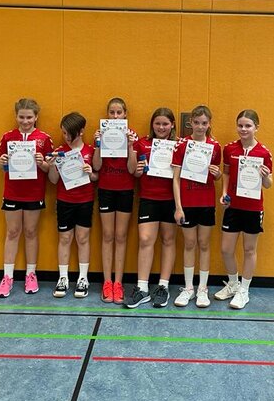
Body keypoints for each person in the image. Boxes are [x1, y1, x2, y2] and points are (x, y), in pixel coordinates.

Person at [0, 98, 54, 298]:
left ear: (36, 117)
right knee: (12, 232)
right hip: (12, 191)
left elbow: (50, 168)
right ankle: (7, 277)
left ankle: (31, 274)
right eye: (22, 117)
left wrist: (42, 162)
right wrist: (1, 161)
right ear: (16, 116)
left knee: (30, 231)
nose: (25, 121)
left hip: (34, 192)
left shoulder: (44, 138)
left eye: (29, 117)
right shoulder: (8, 137)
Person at [214, 110, 273, 310]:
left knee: (249, 249)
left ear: (256, 127)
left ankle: (244, 290)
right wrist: (224, 193)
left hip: (253, 208)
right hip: (233, 206)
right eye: (240, 125)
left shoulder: (264, 152)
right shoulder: (230, 148)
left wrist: (265, 176)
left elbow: (269, 184)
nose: (243, 129)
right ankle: (233, 284)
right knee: (226, 249)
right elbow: (226, 173)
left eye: (248, 126)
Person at [125, 108, 178, 309]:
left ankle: (163, 286)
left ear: (172, 124)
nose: (161, 127)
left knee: (168, 240)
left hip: (171, 199)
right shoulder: (142, 143)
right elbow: (133, 170)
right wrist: (138, 169)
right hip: (148, 198)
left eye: (165, 124)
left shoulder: (179, 145)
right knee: (146, 239)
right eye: (158, 123)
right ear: (152, 125)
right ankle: (142, 288)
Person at [171, 105, 222, 308]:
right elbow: (175, 179)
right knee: (189, 243)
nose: (200, 126)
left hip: (206, 202)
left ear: (209, 124)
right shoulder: (182, 145)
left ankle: (202, 288)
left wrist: (217, 174)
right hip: (187, 203)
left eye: (204, 123)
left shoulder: (215, 146)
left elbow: (217, 175)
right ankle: (188, 288)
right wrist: (178, 207)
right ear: (190, 123)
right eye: (197, 122)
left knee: (204, 244)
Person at [47, 112, 98, 299]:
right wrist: (52, 165)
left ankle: (83, 278)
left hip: (85, 200)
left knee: (83, 238)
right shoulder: (60, 151)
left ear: (81, 131)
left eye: (70, 133)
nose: (66, 137)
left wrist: (90, 173)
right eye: (64, 133)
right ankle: (63, 278)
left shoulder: (90, 151)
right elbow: (53, 180)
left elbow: (96, 177)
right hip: (64, 201)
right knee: (65, 238)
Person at [92, 97, 137, 304]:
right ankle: (107, 282)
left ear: (125, 114)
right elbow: (96, 166)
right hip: (106, 190)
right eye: (112, 112)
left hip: (125, 190)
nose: (116, 116)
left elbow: (132, 170)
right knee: (108, 235)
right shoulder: (100, 134)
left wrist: (130, 145)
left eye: (119, 112)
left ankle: (118, 283)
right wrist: (98, 144)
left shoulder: (131, 135)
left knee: (121, 236)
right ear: (107, 114)